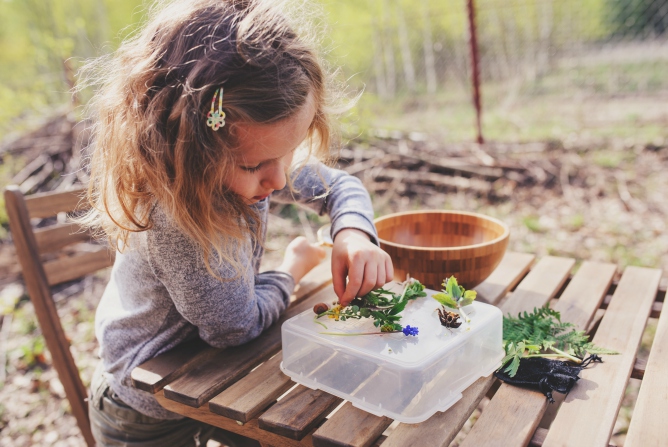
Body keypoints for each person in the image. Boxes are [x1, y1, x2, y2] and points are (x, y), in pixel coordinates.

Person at [79, 0, 393, 445]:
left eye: (289, 152)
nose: (281, 178)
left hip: (214, 376)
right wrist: (292, 270)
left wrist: (354, 234)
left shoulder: (250, 153)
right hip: (149, 409)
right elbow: (235, 328)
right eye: (257, 166)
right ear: (191, 153)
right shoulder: (177, 222)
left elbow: (340, 186)